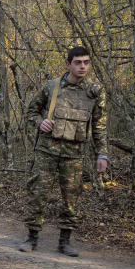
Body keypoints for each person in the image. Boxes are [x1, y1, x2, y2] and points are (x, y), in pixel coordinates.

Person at [18, 46, 108, 257]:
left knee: (72, 197)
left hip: (74, 154)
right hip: (47, 152)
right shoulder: (52, 88)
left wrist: (102, 154)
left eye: (86, 62)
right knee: (38, 194)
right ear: (68, 64)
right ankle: (31, 238)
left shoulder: (95, 92)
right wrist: (40, 122)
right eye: (78, 62)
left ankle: (64, 242)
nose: (83, 66)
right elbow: (30, 112)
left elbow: (100, 126)